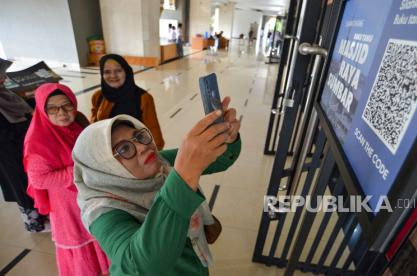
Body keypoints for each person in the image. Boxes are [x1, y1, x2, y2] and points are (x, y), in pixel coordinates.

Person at [72, 97, 241, 275]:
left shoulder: (160, 162)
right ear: (106, 169)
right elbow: (140, 266)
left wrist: (226, 138)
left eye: (139, 136)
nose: (142, 147)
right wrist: (183, 177)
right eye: (124, 149)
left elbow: (220, 159)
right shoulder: (102, 211)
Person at [24, 83, 109, 276]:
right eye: (52, 108)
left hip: (89, 195)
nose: (61, 112)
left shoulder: (78, 122)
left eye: (67, 105)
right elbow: (39, 179)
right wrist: (81, 169)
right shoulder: (37, 140)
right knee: (83, 248)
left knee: (98, 235)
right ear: (42, 110)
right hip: (67, 205)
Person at [0, 58, 49, 232]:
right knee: (22, 187)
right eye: (0, 76)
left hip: (24, 149)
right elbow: (6, 134)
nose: (3, 79)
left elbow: (22, 109)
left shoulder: (5, 94)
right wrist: (27, 127)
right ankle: (34, 224)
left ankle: (43, 215)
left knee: (33, 182)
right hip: (9, 154)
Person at [91, 54, 165, 149]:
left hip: (135, 152)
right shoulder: (98, 96)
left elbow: (153, 132)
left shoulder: (143, 98)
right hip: (107, 150)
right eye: (107, 72)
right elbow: (93, 125)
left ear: (126, 71)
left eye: (118, 70)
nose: (113, 75)